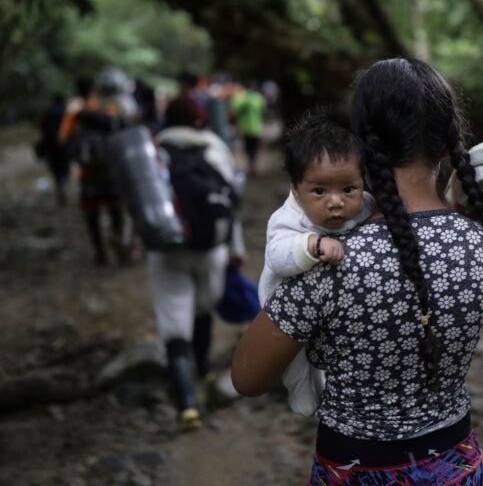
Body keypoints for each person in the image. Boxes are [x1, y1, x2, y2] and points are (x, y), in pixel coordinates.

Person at [233, 58, 483, 484]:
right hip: (455, 469)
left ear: (361, 148)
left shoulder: (329, 257)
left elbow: (248, 377)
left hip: (354, 471)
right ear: (446, 147)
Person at [259, 107, 376, 416]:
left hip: (335, 311)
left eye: (348, 189)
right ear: (296, 190)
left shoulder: (365, 206)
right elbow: (277, 257)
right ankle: (301, 394)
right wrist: (312, 244)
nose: (336, 202)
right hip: (287, 307)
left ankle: (327, 389)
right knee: (296, 361)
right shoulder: (288, 219)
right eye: (320, 191)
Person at [150, 95, 246, 432]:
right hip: (211, 248)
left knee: (173, 321)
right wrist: (236, 248)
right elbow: (230, 202)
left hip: (167, 250)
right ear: (200, 119)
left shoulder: (154, 151)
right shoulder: (214, 147)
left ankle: (186, 404)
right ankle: (204, 367)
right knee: (204, 308)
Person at [59, 77, 126, 265]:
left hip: (88, 173)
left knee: (91, 213)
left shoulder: (74, 113)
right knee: (115, 207)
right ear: (93, 90)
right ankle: (117, 236)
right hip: (110, 169)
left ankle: (99, 250)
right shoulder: (106, 109)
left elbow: (63, 139)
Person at [36, 94, 70, 205]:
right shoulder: (67, 112)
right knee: (65, 166)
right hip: (65, 145)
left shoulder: (47, 112)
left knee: (55, 167)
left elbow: (40, 127)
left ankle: (60, 185)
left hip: (50, 145)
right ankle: (64, 184)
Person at [230, 82, 265, 174]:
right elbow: (262, 108)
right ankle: (253, 164)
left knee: (248, 147)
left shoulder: (242, 97)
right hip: (255, 127)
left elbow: (234, 108)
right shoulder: (258, 97)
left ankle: (251, 164)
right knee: (254, 147)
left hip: (245, 128)